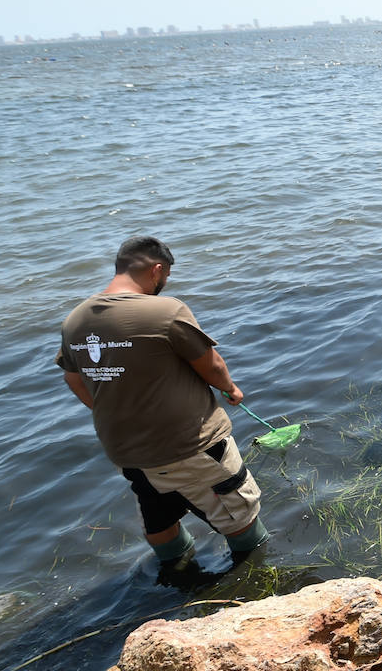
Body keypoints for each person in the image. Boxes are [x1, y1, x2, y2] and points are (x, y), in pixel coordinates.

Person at [56, 237, 268, 571]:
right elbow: (211, 365)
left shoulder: (76, 320)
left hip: (128, 452)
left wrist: (110, 411)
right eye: (166, 274)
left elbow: (73, 379)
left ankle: (176, 576)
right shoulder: (165, 311)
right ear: (157, 270)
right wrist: (231, 389)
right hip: (191, 446)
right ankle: (254, 573)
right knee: (240, 514)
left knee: (158, 512)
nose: (165, 282)